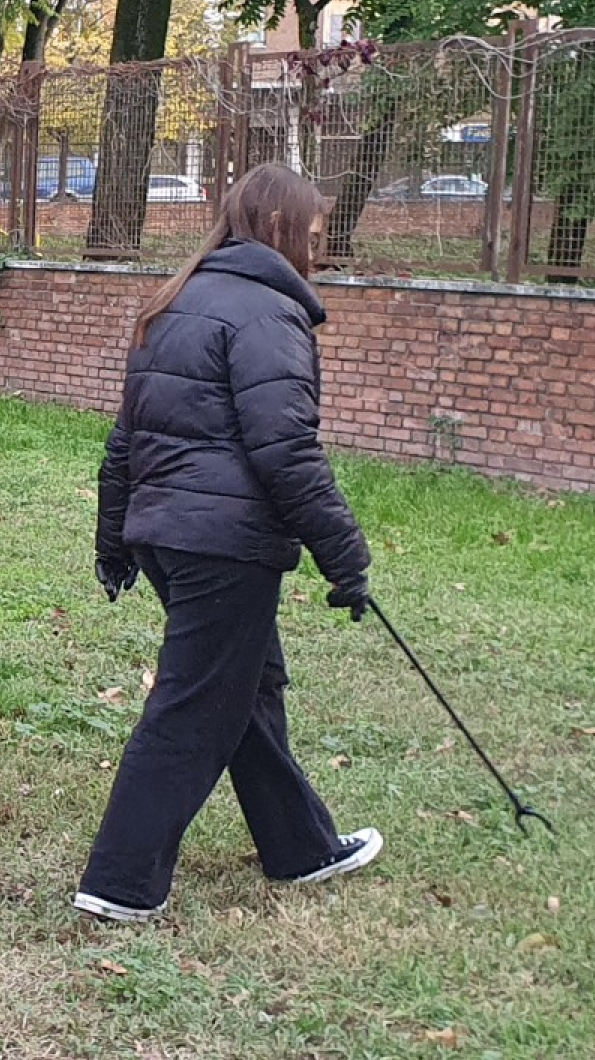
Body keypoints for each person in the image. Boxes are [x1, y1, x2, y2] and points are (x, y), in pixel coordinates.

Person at [75, 163, 380, 924]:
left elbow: (125, 442)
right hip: (222, 545)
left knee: (250, 688)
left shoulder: (175, 299)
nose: (317, 251)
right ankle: (120, 882)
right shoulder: (267, 316)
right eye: (313, 235)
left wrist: (116, 539)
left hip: (171, 536)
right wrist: (345, 555)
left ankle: (301, 847)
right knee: (195, 705)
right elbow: (287, 451)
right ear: (279, 228)